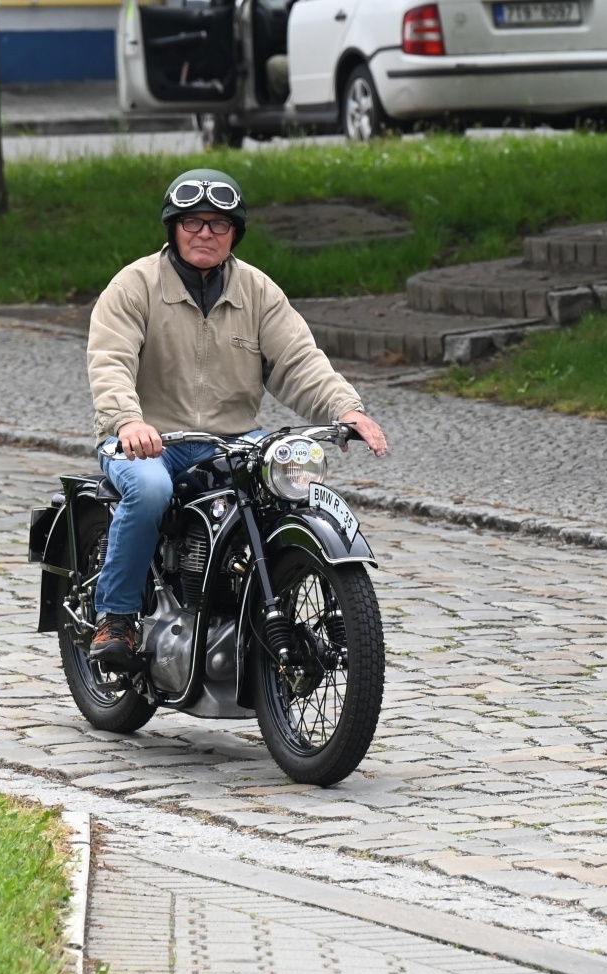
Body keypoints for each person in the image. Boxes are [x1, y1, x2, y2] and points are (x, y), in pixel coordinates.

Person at [86, 167, 388, 668]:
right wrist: (127, 422)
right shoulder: (134, 285)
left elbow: (298, 359)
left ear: (234, 233)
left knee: (290, 487)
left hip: (233, 437)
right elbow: (110, 360)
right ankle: (115, 619)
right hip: (150, 437)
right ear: (173, 227)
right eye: (192, 223)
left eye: (218, 225)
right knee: (151, 491)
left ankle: (268, 600)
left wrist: (345, 408)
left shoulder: (257, 291)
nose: (205, 233)